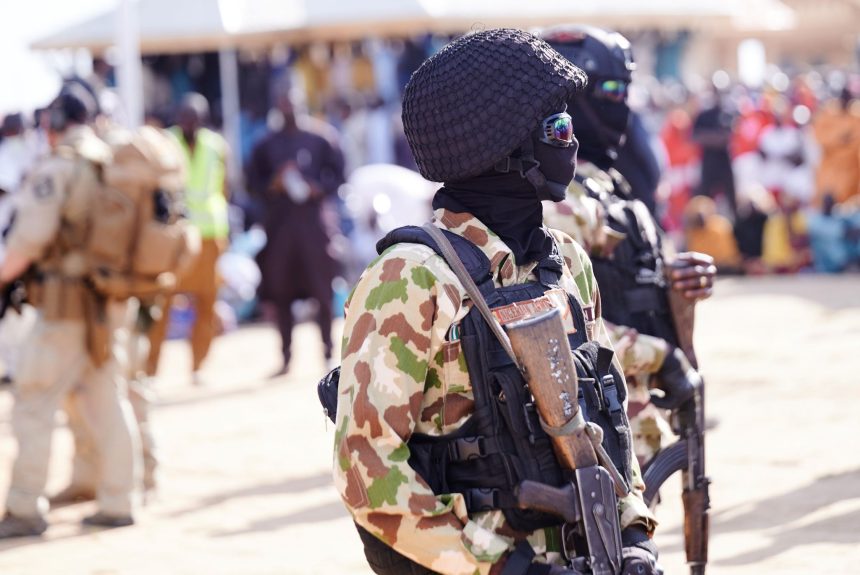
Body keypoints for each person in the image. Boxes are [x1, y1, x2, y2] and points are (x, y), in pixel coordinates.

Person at [334, 29, 660, 575]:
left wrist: (632, 533)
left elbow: (605, 418)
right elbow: (366, 465)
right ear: (501, 147)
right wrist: (502, 566)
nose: (571, 143)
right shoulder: (410, 279)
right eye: (556, 128)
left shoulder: (566, 261)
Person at [540, 25, 715, 467]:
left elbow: (619, 279)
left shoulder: (604, 182)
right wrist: (662, 357)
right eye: (612, 91)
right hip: (590, 429)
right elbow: (556, 334)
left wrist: (671, 282)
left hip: (630, 412)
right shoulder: (555, 201)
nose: (623, 105)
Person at [0, 83, 139, 537]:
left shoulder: (61, 166)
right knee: (106, 399)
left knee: (33, 402)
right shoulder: (110, 160)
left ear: (56, 121)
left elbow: (27, 240)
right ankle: (117, 499)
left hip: (64, 310)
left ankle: (24, 507)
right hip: (107, 306)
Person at [246, 78, 345, 374]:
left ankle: (328, 352)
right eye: (283, 103)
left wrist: (317, 188)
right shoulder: (266, 144)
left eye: (293, 102)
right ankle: (286, 355)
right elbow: (252, 182)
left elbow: (339, 175)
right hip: (280, 229)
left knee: (322, 291)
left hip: (314, 227)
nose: (288, 108)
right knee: (281, 292)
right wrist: (273, 184)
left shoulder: (321, 137)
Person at [146, 93, 230, 384]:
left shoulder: (216, 146)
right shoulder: (165, 142)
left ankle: (197, 366)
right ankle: (150, 369)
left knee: (206, 303)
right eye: (184, 117)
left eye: (193, 118)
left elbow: (224, 186)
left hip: (208, 234)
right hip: (175, 236)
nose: (188, 123)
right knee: (162, 304)